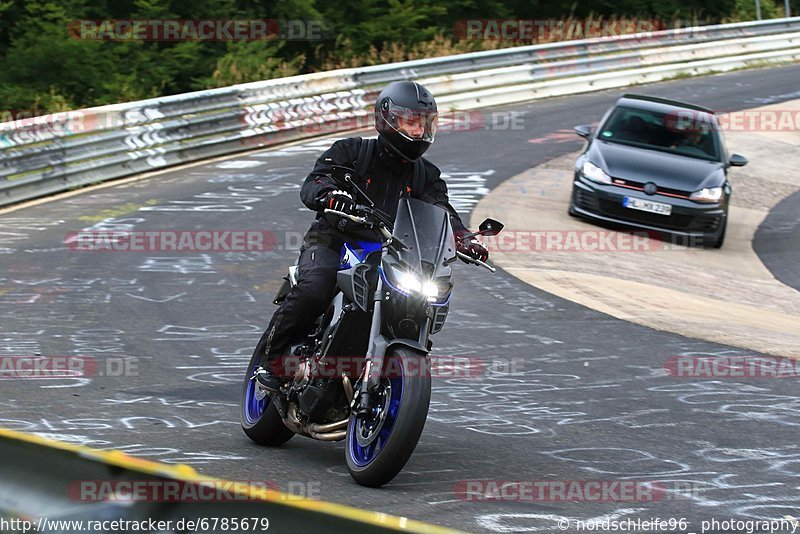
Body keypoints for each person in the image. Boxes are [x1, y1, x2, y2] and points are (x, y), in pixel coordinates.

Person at [253, 80, 489, 393]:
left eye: (423, 124)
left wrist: (463, 239)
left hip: (392, 255)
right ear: (387, 119)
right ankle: (271, 362)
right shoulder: (351, 152)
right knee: (316, 286)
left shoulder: (426, 175)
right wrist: (331, 195)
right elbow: (315, 182)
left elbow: (443, 211)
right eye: (409, 123)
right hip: (334, 243)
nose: (417, 132)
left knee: (420, 302)